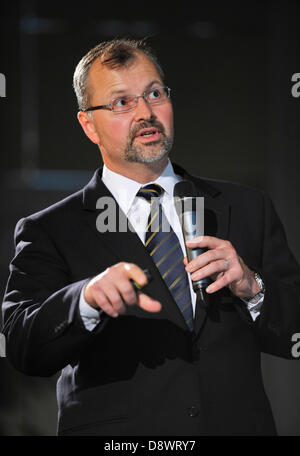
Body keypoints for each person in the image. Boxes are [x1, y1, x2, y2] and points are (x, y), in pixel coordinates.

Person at [2, 38, 300, 436]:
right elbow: (23, 349)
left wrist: (253, 286)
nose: (146, 112)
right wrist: (85, 300)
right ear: (89, 125)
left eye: (154, 94)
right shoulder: (50, 229)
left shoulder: (246, 207)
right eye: (122, 102)